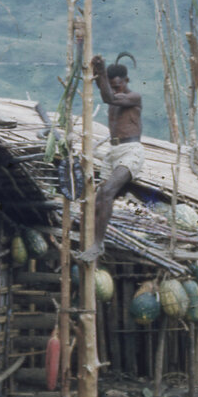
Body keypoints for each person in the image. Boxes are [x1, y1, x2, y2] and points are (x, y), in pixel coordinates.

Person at [75, 56, 145, 262]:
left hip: (131, 150)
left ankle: (98, 244)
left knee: (107, 192)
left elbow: (108, 97)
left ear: (126, 80)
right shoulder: (114, 94)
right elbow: (103, 87)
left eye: (118, 85)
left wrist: (103, 72)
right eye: (112, 86)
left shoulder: (133, 97)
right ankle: (94, 241)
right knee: (97, 199)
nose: (115, 90)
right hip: (112, 152)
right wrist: (95, 68)